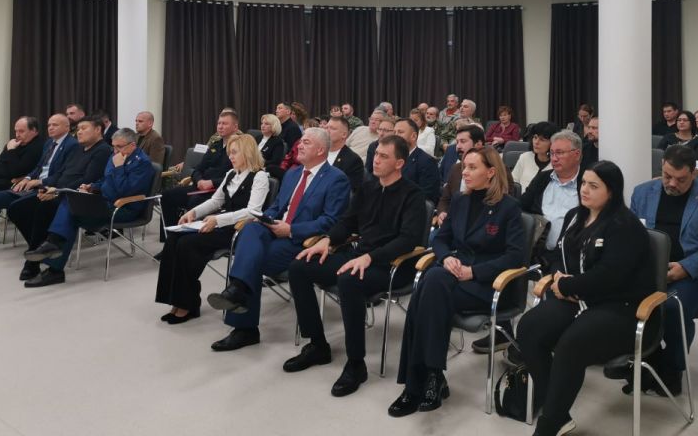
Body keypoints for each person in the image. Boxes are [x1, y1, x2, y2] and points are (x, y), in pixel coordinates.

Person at [517, 161, 652, 436]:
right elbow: (560, 255)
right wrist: (558, 279)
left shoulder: (624, 226)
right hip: (576, 298)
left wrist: (567, 285)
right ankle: (558, 411)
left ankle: (549, 425)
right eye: (583, 184)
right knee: (529, 328)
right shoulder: (575, 216)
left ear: (611, 191)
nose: (584, 190)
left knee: (571, 343)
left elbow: (611, 276)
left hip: (620, 306)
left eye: (594, 186)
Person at [388, 147, 525, 418]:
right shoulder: (461, 201)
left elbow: (515, 256)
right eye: (464, 167)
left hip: (488, 285)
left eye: (473, 167)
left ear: (491, 172)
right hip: (453, 276)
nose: (465, 172)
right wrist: (447, 257)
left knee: (425, 292)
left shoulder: (508, 207)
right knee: (432, 283)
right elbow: (441, 239)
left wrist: (474, 272)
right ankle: (431, 377)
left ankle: (417, 384)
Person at [285, 135, 426, 396]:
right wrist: (327, 240)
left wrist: (371, 257)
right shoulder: (368, 187)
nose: (376, 160)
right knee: (299, 267)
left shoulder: (413, 195)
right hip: (359, 256)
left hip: (391, 266)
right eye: (376, 154)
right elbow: (347, 223)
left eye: (383, 156)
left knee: (349, 279)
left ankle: (356, 363)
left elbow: (408, 240)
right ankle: (318, 345)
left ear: (399, 163)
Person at [206, 128, 350, 352]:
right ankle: (238, 291)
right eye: (300, 141)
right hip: (274, 229)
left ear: (321, 150)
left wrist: (291, 230)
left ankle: (244, 323)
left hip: (300, 240)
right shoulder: (292, 174)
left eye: (306, 142)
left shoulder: (336, 179)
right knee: (250, 229)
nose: (299, 145)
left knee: (252, 259)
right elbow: (276, 207)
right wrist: (266, 219)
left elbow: (330, 221)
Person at [630, 145, 698, 396]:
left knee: (671, 307)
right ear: (662, 168)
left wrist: (687, 268)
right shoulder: (643, 192)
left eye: (681, 179)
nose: (672, 184)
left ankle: (672, 370)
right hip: (651, 272)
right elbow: (631, 234)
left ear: (694, 173)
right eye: (667, 176)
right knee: (619, 297)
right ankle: (646, 361)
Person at [155, 134, 270, 324]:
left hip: (239, 230)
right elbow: (216, 201)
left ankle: (188, 305)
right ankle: (175, 301)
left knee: (187, 244)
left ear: (247, 152)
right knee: (174, 239)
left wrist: (218, 220)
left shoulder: (260, 177)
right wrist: (193, 213)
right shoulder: (231, 174)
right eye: (229, 153)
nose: (230, 157)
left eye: (234, 152)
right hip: (220, 223)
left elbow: (253, 212)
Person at [22, 127, 155, 288]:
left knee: (71, 211)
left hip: (123, 209)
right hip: (104, 201)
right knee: (71, 204)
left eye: (119, 147)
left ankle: (54, 260)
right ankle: (54, 258)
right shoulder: (117, 156)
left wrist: (119, 168)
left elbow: (124, 191)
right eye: (113, 146)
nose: (115, 151)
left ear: (132, 145)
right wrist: (92, 186)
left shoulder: (142, 163)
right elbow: (106, 180)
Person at [7, 116, 111, 280]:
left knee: (43, 209)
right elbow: (61, 172)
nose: (79, 132)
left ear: (98, 130)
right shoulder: (78, 149)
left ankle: (33, 262)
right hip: (57, 190)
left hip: (76, 196)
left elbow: (87, 180)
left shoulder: (103, 150)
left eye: (84, 128)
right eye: (78, 129)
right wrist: (47, 186)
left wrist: (57, 191)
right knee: (17, 208)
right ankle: (43, 246)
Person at [159, 110, 238, 234]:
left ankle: (188, 238)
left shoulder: (239, 148)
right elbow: (198, 169)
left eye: (225, 123)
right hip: (200, 186)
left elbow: (236, 176)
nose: (220, 126)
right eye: (219, 123)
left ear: (235, 127)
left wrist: (212, 182)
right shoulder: (215, 145)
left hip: (219, 190)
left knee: (194, 201)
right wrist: (199, 180)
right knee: (167, 195)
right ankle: (171, 236)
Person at [520, 130, 583, 273]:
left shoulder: (587, 181)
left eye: (559, 153)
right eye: (552, 153)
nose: (554, 159)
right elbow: (521, 205)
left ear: (577, 154)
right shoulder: (543, 179)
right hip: (539, 253)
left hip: (572, 256)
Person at [435, 123, 486, 226]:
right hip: (452, 224)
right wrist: (442, 212)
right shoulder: (455, 168)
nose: (458, 146)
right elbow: (445, 199)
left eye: (463, 141)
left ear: (478, 144)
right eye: (457, 142)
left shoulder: (495, 169)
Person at [392, 118, 440, 205]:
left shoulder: (427, 162)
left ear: (413, 136)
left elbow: (427, 195)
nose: (396, 136)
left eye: (400, 132)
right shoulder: (390, 158)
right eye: (394, 132)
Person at [324, 116, 365, 194]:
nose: (327, 131)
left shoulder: (353, 160)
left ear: (344, 134)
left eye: (332, 128)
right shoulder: (317, 152)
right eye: (326, 128)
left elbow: (349, 191)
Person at [512, 121, 556, 189]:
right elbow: (513, 182)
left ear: (552, 143)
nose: (536, 142)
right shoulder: (525, 157)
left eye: (542, 139)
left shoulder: (557, 163)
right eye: (535, 137)